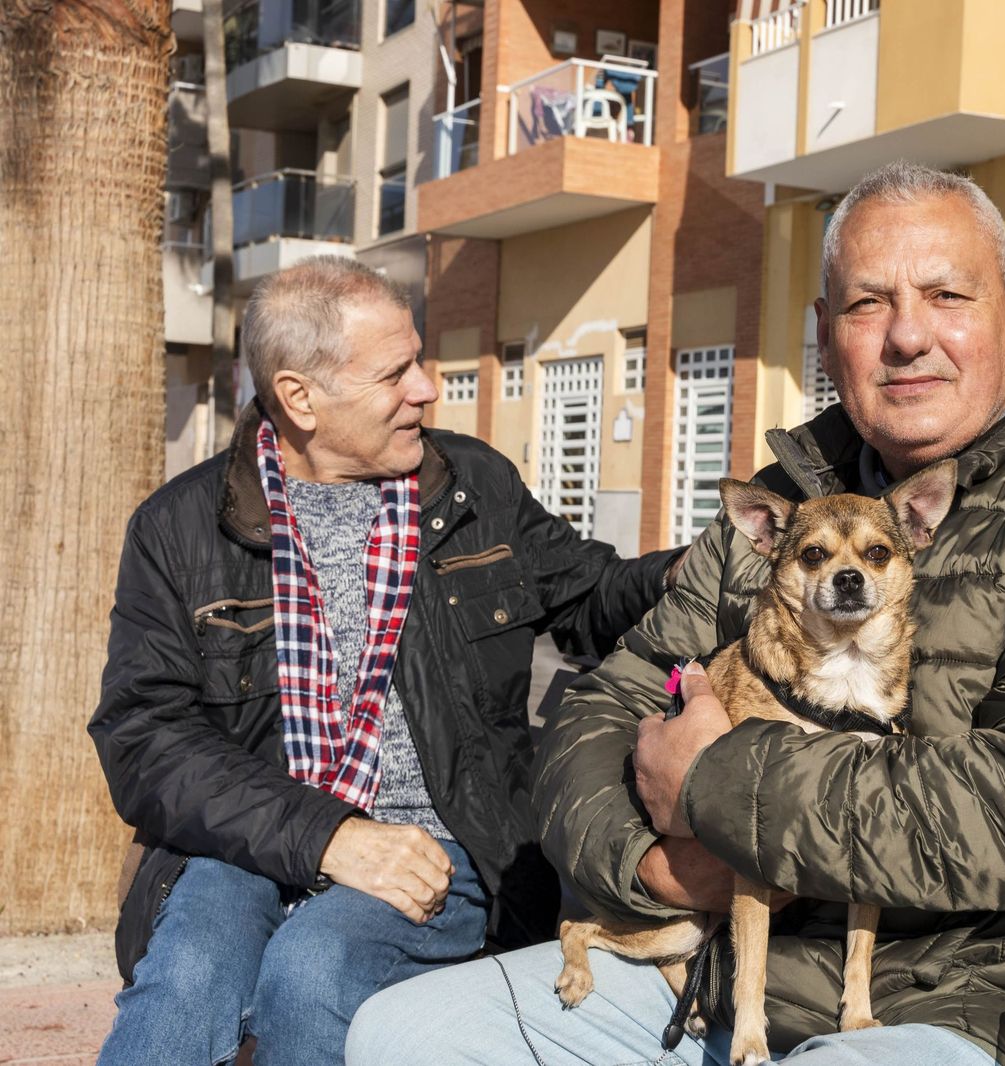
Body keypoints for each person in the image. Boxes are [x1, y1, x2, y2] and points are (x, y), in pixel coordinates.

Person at [349, 161, 1005, 1066]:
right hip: (719, 972)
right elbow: (606, 705)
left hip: (981, 1004)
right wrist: (649, 869)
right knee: (404, 1033)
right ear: (823, 333)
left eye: (947, 295)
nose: (908, 335)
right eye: (867, 304)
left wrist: (716, 785)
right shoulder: (779, 508)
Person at [89, 256, 681, 1066]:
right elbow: (144, 738)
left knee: (313, 969)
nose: (427, 388)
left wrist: (703, 567)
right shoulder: (179, 528)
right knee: (190, 975)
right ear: (300, 397)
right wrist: (326, 835)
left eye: (420, 360)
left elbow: (592, 596)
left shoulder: (472, 484)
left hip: (442, 839)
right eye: (395, 372)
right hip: (245, 839)